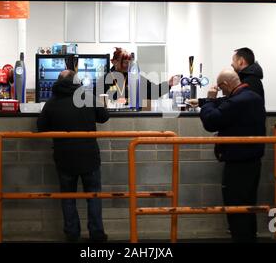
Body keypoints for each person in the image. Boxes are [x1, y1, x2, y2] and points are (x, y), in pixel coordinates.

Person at [188, 69, 266, 243]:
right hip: (252, 161)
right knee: (247, 206)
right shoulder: (251, 96)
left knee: (236, 207)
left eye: (222, 89)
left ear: (226, 85)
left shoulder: (238, 101)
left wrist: (209, 100)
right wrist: (202, 101)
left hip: (238, 163)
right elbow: (227, 102)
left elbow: (211, 121)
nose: (222, 92)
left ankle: (241, 240)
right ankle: (248, 238)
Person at [37, 70, 110, 243]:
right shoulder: (87, 96)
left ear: (58, 81)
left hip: (64, 157)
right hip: (89, 156)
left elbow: (41, 127)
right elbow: (104, 117)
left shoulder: (52, 102)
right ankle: (97, 234)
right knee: (93, 196)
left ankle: (72, 234)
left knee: (67, 197)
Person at [103, 47, 180, 107]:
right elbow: (98, 101)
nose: (127, 65)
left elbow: (153, 91)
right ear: (114, 62)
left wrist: (169, 84)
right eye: (124, 62)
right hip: (113, 118)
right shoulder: (105, 79)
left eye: (128, 63)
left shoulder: (135, 77)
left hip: (133, 117)